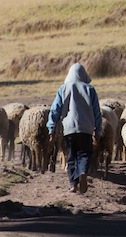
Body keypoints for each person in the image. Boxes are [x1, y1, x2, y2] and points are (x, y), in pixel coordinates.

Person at [47, 63, 102, 194]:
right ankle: (82, 172)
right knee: (84, 154)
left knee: (71, 156)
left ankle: (73, 184)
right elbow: (97, 112)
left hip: (69, 128)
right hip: (86, 128)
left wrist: (52, 127)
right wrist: (98, 130)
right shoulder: (90, 89)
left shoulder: (64, 88)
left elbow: (55, 109)